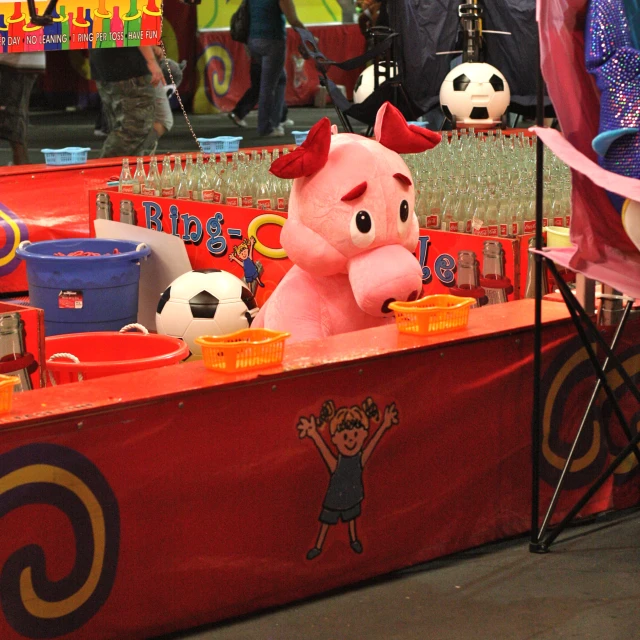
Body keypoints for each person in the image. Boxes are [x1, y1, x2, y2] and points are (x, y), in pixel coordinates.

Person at [89, 46, 165, 158]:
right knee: (132, 130)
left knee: (122, 129)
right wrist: (151, 61)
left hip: (105, 58)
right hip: (128, 65)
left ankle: (124, 173)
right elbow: (134, 29)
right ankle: (102, 173)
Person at [246, 0, 305, 137]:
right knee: (268, 87)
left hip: (254, 40)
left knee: (280, 79)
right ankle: (266, 127)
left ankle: (278, 119)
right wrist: (309, 37)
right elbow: (293, 20)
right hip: (272, 41)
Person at [0, 52, 46, 165]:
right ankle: (22, 168)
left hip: (18, 61)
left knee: (14, 118)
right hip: (14, 60)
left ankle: (22, 169)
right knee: (14, 117)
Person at [228, 52, 294, 129]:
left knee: (258, 89)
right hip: (269, 63)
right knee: (275, 88)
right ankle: (280, 118)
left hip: (257, 63)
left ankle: (238, 113)